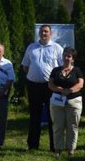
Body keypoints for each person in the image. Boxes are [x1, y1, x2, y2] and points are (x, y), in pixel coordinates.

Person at [22, 24, 63, 152]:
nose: (44, 34)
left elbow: (62, 68)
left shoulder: (57, 48)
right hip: (33, 86)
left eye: (46, 32)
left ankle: (54, 146)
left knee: (53, 117)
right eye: (42, 31)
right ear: (39, 33)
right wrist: (35, 75)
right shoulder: (31, 47)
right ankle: (33, 145)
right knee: (34, 116)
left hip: (50, 87)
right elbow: (25, 66)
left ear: (51, 34)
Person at [48, 47, 84, 157]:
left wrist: (70, 90)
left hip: (74, 101)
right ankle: (58, 149)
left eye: (69, 56)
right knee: (58, 126)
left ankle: (71, 149)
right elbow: (50, 84)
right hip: (57, 102)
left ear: (73, 59)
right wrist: (60, 90)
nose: (66, 58)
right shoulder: (56, 70)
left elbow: (80, 84)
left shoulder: (77, 70)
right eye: (65, 55)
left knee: (72, 126)